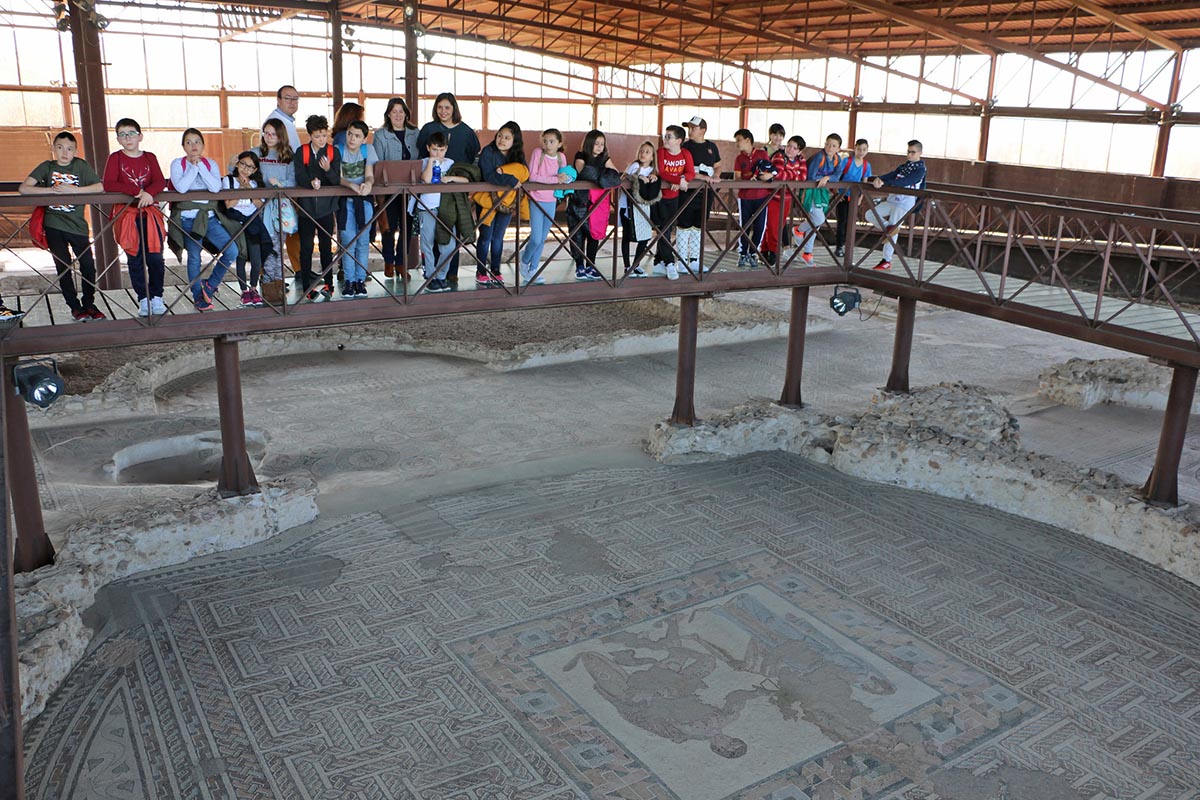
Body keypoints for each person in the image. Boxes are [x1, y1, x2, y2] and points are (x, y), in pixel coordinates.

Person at [20, 131, 104, 320]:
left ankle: (89, 303)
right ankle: (74, 307)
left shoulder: (80, 166)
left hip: (78, 226)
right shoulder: (47, 167)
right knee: (63, 267)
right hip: (54, 225)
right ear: (53, 148)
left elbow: (99, 187)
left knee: (88, 266)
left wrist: (74, 190)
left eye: (69, 149)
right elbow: (24, 188)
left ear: (75, 151)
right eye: (60, 147)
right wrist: (51, 190)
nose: (65, 153)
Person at [102, 117, 167, 317]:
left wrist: (148, 193)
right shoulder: (116, 158)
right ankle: (143, 298)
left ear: (140, 136)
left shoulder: (149, 157)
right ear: (118, 139)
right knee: (135, 258)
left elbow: (159, 181)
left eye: (131, 133)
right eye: (122, 134)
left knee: (155, 257)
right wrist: (136, 191)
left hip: (149, 213)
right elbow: (109, 183)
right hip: (127, 215)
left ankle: (157, 296)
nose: (127, 138)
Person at [169, 128, 237, 312]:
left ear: (203, 145)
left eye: (197, 141)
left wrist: (199, 166)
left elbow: (215, 187)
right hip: (188, 219)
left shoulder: (210, 164)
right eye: (189, 142)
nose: (193, 146)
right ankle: (198, 296)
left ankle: (210, 285)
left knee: (232, 250)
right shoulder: (177, 164)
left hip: (209, 218)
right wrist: (192, 167)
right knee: (194, 258)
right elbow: (181, 188)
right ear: (183, 146)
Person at [417, 93, 480, 288]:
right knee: (429, 239)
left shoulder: (466, 131)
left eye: (447, 107)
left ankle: (448, 275)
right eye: (439, 107)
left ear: (454, 108)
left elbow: (473, 154)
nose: (443, 111)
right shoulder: (429, 129)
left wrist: (455, 176)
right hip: (429, 198)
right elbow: (420, 152)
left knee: (451, 236)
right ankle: (431, 275)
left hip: (452, 194)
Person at [293, 114, 341, 301]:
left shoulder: (332, 152)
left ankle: (329, 284)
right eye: (317, 136)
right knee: (305, 249)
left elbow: (336, 179)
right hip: (306, 210)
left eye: (324, 135)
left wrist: (328, 170)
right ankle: (307, 286)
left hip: (327, 208)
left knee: (326, 247)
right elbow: (299, 175)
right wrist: (309, 183)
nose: (322, 140)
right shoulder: (302, 152)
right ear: (310, 135)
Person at [412, 131, 467, 293]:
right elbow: (426, 179)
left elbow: (466, 179)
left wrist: (450, 179)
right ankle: (430, 277)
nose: (438, 153)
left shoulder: (450, 163)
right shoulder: (423, 162)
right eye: (435, 149)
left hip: (445, 209)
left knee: (449, 246)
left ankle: (440, 275)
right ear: (428, 148)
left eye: (441, 150)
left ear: (446, 149)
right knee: (427, 243)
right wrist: (431, 162)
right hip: (426, 208)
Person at [474, 122, 526, 288]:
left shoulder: (516, 156)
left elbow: (525, 173)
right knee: (485, 237)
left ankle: (495, 270)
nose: (502, 140)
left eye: (507, 138)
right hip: (488, 201)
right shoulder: (488, 152)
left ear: (514, 141)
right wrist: (511, 179)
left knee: (498, 237)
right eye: (500, 136)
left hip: (507, 202)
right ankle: (481, 271)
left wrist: (509, 174)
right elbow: (490, 176)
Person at [373, 97, 420, 280]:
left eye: (401, 111)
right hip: (389, 189)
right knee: (389, 228)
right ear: (388, 114)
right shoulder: (380, 135)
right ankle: (388, 261)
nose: (398, 115)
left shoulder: (415, 133)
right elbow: (377, 162)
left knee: (407, 227)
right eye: (394, 112)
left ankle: (401, 262)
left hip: (410, 190)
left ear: (406, 114)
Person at [869, 139, 926, 271]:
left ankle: (886, 260)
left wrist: (888, 183)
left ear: (920, 153)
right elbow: (892, 174)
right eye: (908, 152)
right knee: (870, 214)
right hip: (892, 199)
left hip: (905, 203)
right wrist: (880, 178)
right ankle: (889, 228)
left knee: (893, 228)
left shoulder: (920, 170)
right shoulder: (903, 166)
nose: (910, 155)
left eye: (913, 152)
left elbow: (907, 181)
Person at [223, 151, 270, 307]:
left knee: (256, 260)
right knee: (241, 258)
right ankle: (244, 292)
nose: (245, 169)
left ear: (255, 170)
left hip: (253, 224)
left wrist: (248, 188)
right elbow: (228, 204)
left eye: (250, 167)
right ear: (237, 164)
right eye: (243, 164)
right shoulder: (229, 181)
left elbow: (259, 205)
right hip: (236, 223)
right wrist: (241, 189)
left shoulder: (256, 184)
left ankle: (254, 289)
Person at [569, 129, 618, 282]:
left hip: (598, 204)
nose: (599, 147)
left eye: (602, 144)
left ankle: (591, 265)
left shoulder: (605, 158)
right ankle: (579, 266)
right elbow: (582, 171)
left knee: (593, 234)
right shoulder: (581, 155)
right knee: (578, 235)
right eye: (596, 143)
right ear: (589, 143)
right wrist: (603, 176)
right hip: (580, 202)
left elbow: (616, 174)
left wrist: (600, 175)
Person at [521, 128, 568, 285]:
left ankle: (533, 269)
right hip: (536, 198)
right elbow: (533, 176)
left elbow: (564, 177)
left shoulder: (561, 157)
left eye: (552, 141)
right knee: (535, 237)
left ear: (559, 143)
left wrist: (565, 178)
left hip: (551, 201)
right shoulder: (537, 153)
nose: (548, 144)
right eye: (545, 141)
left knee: (542, 238)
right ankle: (524, 260)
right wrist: (555, 180)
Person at [337, 120, 378, 298]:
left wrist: (368, 184)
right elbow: (338, 177)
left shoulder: (367, 150)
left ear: (364, 139)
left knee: (362, 241)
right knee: (348, 241)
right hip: (345, 201)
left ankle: (360, 280)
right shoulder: (339, 150)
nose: (352, 138)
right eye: (350, 134)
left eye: (357, 136)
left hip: (364, 200)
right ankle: (349, 280)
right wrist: (351, 186)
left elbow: (369, 174)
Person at [793, 133, 844, 265]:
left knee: (816, 223)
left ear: (838, 148)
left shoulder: (838, 159)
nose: (830, 147)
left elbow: (837, 175)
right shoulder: (819, 157)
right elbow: (810, 175)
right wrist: (822, 178)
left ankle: (807, 253)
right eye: (828, 144)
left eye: (833, 146)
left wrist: (827, 178)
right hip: (811, 191)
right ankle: (799, 230)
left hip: (822, 191)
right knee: (819, 219)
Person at [257, 118, 294, 301]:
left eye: (273, 133)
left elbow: (294, 181)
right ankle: (270, 287)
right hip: (262, 208)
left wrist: (280, 184)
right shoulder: (257, 153)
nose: (269, 137)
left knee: (279, 248)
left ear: (280, 136)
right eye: (266, 133)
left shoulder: (288, 157)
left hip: (282, 208)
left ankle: (278, 287)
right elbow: (239, 167)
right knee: (269, 248)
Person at [678, 116, 721, 275]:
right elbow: (683, 169)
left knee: (698, 226)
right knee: (684, 226)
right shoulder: (686, 146)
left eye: (693, 128)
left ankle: (694, 260)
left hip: (706, 192)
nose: (690, 131)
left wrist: (716, 175)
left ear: (703, 130)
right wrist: (700, 176)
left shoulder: (712, 146)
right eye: (689, 128)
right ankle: (682, 260)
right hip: (688, 191)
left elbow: (718, 165)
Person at [653, 125, 695, 280]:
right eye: (665, 136)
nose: (665, 139)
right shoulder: (661, 152)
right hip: (660, 197)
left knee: (668, 228)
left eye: (669, 137)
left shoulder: (685, 153)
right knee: (663, 229)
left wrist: (682, 179)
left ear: (678, 140)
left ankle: (659, 261)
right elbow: (663, 172)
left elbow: (691, 172)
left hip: (675, 197)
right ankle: (670, 263)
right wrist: (679, 179)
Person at [761, 135, 806, 268]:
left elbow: (803, 177)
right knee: (772, 226)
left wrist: (789, 174)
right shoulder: (779, 156)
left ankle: (765, 251)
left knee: (778, 225)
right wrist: (794, 174)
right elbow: (779, 174)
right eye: (789, 145)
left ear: (799, 151)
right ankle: (772, 252)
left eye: (794, 148)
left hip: (787, 198)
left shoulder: (800, 159)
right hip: (773, 196)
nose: (790, 149)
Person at [619, 140, 657, 278]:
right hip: (628, 207)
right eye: (641, 151)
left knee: (645, 237)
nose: (643, 154)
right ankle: (627, 266)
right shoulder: (634, 166)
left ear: (652, 157)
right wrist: (638, 177)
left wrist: (654, 178)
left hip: (644, 208)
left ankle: (636, 265)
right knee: (627, 236)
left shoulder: (653, 171)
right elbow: (627, 177)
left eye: (647, 152)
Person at [732, 129, 769, 269]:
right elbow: (737, 177)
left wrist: (760, 177)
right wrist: (749, 178)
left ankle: (753, 252)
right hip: (745, 197)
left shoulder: (761, 154)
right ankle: (742, 253)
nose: (737, 143)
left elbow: (768, 171)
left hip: (761, 196)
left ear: (748, 140)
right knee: (745, 226)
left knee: (760, 225)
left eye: (739, 140)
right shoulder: (739, 158)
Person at [834, 139, 872, 258]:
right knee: (842, 221)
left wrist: (860, 198)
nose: (861, 152)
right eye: (859, 149)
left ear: (867, 150)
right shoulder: (846, 162)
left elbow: (864, 184)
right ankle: (839, 246)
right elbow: (837, 178)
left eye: (864, 149)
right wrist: (836, 193)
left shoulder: (866, 165)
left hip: (855, 197)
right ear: (855, 148)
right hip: (842, 196)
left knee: (851, 223)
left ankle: (847, 246)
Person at [266, 85, 301, 150]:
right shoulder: (274, 122)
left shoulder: (286, 120)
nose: (292, 102)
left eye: (295, 99)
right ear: (278, 100)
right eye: (287, 98)